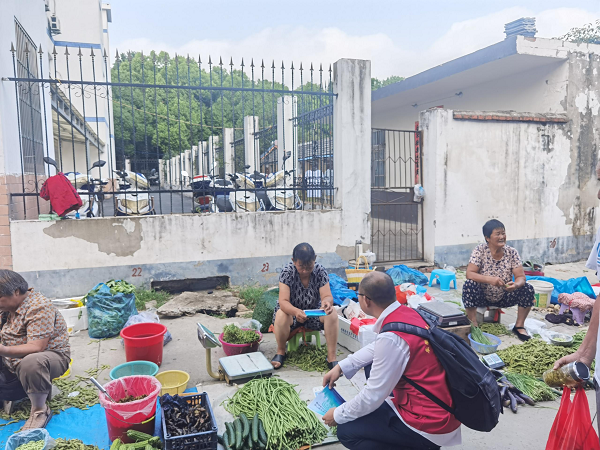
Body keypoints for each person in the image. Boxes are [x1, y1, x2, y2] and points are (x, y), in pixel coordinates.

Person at [321, 272, 461, 449]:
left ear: (366, 300)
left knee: (346, 431)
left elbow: (372, 396)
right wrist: (342, 366)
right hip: (440, 409)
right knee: (371, 366)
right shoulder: (407, 313)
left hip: (428, 424)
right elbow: (378, 347)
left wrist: (338, 414)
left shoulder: (391, 338)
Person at [0, 270, 70, 429]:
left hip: (50, 358)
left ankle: (40, 410)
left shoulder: (38, 306)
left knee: (31, 362)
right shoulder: (6, 307)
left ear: (16, 292)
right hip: (13, 358)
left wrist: (2, 350)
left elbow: (36, 347)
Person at [463, 219, 535, 341]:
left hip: (504, 296)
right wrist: (490, 280)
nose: (502, 237)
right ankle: (473, 323)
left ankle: (519, 326)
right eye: (497, 234)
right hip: (482, 296)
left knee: (527, 288)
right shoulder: (480, 250)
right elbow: (469, 274)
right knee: (469, 285)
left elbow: (521, 277)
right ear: (487, 238)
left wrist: (516, 285)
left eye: (503, 233)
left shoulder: (512, 252)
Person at [271, 243, 338, 370]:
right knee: (281, 314)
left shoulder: (320, 271)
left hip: (313, 313)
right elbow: (283, 301)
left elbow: (327, 295)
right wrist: (296, 312)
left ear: (315, 259)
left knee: (332, 313)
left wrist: (327, 303)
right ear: (294, 261)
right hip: (292, 314)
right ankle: (281, 351)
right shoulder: (287, 272)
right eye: (301, 266)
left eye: (309, 266)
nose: (305, 271)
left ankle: (331, 357)